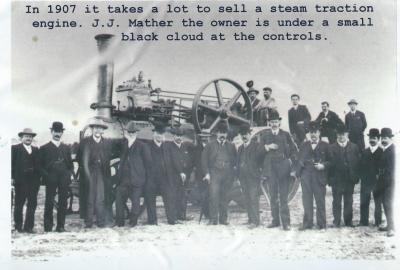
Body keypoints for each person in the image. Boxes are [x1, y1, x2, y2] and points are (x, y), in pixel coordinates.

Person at [77, 118, 120, 228]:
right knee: (90, 198)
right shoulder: (85, 142)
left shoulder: (106, 143)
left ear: (102, 131)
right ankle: (89, 222)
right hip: (89, 173)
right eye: (95, 128)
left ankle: (101, 221)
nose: (97, 130)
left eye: (100, 128)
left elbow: (112, 155)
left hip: (103, 173)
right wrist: (85, 174)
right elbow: (79, 158)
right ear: (92, 129)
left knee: (100, 198)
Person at [260, 111, 298, 230]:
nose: (274, 124)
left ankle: (286, 222)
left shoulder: (285, 135)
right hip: (270, 168)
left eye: (276, 122)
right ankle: (275, 220)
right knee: (272, 195)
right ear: (269, 123)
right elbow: (258, 152)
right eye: (272, 122)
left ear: (279, 122)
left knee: (283, 196)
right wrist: (267, 147)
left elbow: (293, 151)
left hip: (283, 167)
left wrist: (292, 167)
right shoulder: (265, 136)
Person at [115, 121, 151, 227]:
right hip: (124, 179)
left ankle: (133, 222)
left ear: (136, 133)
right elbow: (122, 159)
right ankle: (119, 222)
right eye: (129, 132)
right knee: (119, 200)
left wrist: (144, 179)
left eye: (133, 132)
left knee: (135, 202)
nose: (131, 134)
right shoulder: (124, 144)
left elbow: (148, 164)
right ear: (127, 132)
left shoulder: (142, 146)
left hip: (137, 179)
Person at [296, 121, 331, 230]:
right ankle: (307, 223)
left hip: (319, 177)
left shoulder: (325, 146)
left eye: (315, 132)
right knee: (306, 200)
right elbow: (299, 160)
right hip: (306, 177)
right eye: (311, 132)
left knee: (320, 200)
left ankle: (321, 224)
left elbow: (331, 161)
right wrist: (299, 174)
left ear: (319, 133)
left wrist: (323, 165)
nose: (313, 135)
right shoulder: (304, 145)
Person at [40, 122, 74, 232]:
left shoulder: (66, 148)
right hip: (51, 179)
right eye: (55, 131)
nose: (57, 134)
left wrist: (68, 175)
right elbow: (40, 166)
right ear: (51, 132)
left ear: (62, 133)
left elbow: (70, 164)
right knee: (49, 202)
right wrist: (47, 176)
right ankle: (48, 227)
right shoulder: (44, 148)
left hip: (64, 179)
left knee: (63, 202)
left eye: (59, 132)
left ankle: (60, 226)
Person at [202, 122, 237, 225]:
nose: (222, 135)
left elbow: (235, 160)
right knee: (213, 196)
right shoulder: (210, 145)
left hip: (227, 174)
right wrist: (207, 173)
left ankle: (223, 219)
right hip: (214, 174)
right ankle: (213, 219)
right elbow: (204, 160)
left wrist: (233, 173)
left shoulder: (231, 146)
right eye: (220, 132)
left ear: (226, 134)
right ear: (217, 133)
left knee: (225, 197)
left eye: (224, 133)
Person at [145, 123, 179, 225]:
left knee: (169, 198)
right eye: (158, 133)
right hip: (151, 178)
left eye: (161, 133)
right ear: (154, 134)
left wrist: (179, 172)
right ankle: (152, 221)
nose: (159, 135)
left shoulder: (167, 147)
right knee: (150, 200)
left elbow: (174, 162)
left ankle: (171, 220)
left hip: (165, 178)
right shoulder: (147, 146)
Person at [328, 125, 360, 227]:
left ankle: (348, 221)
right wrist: (330, 179)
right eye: (339, 134)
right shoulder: (331, 147)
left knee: (348, 201)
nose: (341, 136)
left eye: (343, 134)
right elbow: (329, 165)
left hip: (349, 179)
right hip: (336, 179)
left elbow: (357, 163)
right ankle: (336, 221)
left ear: (347, 134)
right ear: (336, 135)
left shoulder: (354, 147)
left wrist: (356, 176)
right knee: (336, 201)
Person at [11, 128, 41, 233]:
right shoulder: (14, 149)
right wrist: (12, 178)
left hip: (33, 182)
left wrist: (38, 179)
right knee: (19, 204)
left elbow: (38, 166)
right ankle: (18, 227)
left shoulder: (36, 149)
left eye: (30, 136)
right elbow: (11, 165)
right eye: (26, 136)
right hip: (20, 181)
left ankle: (29, 227)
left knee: (32, 204)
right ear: (21, 138)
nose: (29, 138)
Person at [237, 124, 265, 228]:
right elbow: (237, 162)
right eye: (242, 135)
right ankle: (250, 219)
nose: (244, 136)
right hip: (243, 177)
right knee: (247, 198)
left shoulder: (256, 146)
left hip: (253, 177)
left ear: (250, 135)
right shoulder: (240, 148)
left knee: (254, 199)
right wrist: (238, 176)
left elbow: (262, 159)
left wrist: (260, 172)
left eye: (246, 134)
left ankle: (255, 221)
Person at [165, 127, 194, 221]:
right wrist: (180, 172)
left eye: (181, 136)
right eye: (177, 135)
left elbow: (189, 161)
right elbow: (171, 162)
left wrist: (187, 173)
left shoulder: (185, 147)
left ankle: (181, 216)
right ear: (173, 136)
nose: (179, 138)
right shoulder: (169, 147)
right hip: (173, 177)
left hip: (184, 177)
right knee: (172, 197)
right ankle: (172, 218)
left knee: (182, 197)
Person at [359, 128, 383, 227]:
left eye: (374, 138)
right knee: (364, 201)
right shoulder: (365, 152)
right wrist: (361, 177)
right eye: (370, 138)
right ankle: (363, 221)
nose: (372, 140)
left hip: (377, 181)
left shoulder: (382, 152)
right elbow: (360, 166)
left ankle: (378, 221)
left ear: (378, 139)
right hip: (366, 181)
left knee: (378, 202)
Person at [378, 128, 396, 237]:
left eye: (385, 138)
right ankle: (388, 225)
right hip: (383, 180)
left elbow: (392, 169)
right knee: (384, 203)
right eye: (382, 138)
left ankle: (392, 227)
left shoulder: (392, 150)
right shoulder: (385, 149)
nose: (383, 140)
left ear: (390, 138)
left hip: (390, 181)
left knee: (388, 203)